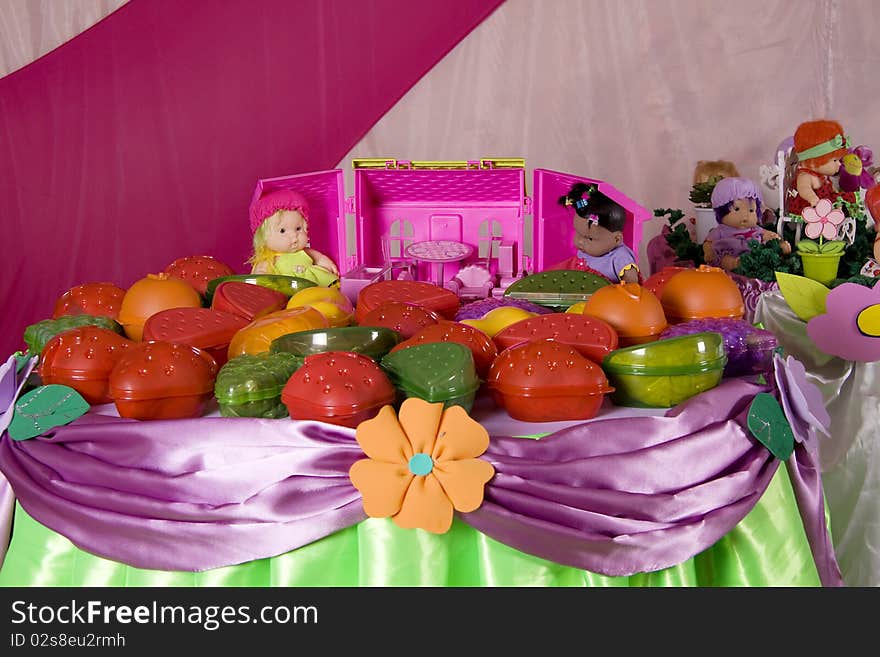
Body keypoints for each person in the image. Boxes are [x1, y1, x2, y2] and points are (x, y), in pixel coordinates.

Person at [248, 189, 339, 286]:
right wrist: (260, 274)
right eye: (282, 231)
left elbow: (319, 258)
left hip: (312, 285)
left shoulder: (305, 252)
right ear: (263, 237)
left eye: (298, 229)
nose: (294, 236)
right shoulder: (270, 259)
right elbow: (259, 276)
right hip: (286, 287)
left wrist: (328, 264)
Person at [552, 182, 639, 283]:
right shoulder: (586, 250)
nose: (580, 241)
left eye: (589, 238)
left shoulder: (620, 258)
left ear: (616, 239)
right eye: (578, 233)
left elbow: (632, 288)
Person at [703, 177, 790, 271]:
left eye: (751, 210)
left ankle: (780, 250)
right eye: (736, 209)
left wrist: (771, 236)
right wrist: (708, 251)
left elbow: (765, 234)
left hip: (754, 255)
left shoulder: (755, 229)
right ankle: (735, 264)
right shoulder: (721, 230)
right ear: (721, 211)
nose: (745, 216)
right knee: (724, 260)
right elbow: (708, 243)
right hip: (730, 254)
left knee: (767, 252)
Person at [786, 119, 857, 217]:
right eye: (835, 161)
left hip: (824, 202)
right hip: (810, 206)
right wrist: (812, 198)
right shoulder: (805, 176)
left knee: (845, 198)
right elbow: (804, 189)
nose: (839, 164)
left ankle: (842, 214)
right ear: (814, 161)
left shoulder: (822, 176)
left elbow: (829, 189)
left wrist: (835, 193)